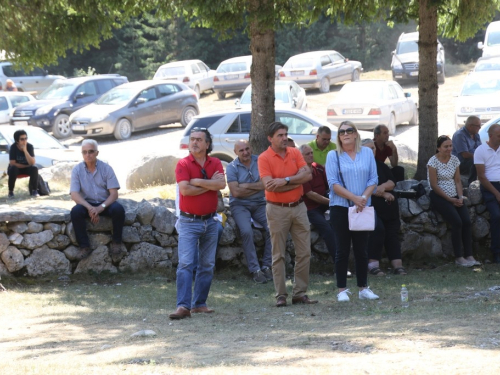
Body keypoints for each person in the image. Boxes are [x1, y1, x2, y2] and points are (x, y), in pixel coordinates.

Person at [258, 121, 317, 307]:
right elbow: (269, 185)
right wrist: (295, 181)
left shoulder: (295, 152)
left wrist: (285, 180)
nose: (284, 138)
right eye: (280, 136)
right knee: (278, 254)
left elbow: (308, 175)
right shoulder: (264, 158)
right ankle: (280, 295)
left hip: (299, 207)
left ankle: (299, 293)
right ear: (270, 138)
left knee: (304, 252)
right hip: (276, 209)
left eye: (285, 134)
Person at [169, 127, 226, 320]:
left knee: (207, 264)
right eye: (192, 139)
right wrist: (209, 183)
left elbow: (221, 185)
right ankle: (183, 306)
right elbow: (185, 190)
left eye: (199, 140)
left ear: (207, 144)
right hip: (188, 221)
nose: (194, 142)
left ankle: (199, 304)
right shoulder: (183, 164)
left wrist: (199, 181)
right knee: (185, 264)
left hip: (210, 221)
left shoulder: (216, 162)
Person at [326, 121, 379, 302]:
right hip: (340, 206)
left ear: (356, 134)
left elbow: (374, 179)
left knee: (361, 250)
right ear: (338, 136)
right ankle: (342, 290)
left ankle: (363, 288)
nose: (346, 134)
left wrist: (362, 198)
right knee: (342, 249)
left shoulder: (367, 153)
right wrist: (355, 198)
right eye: (342, 132)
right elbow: (333, 184)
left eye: (349, 131)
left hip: (362, 207)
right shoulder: (333, 156)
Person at [70, 139, 125, 260]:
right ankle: (84, 246)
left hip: (105, 203)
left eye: (90, 151)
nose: (87, 155)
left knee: (119, 210)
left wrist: (100, 208)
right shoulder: (77, 170)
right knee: (75, 212)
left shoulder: (106, 168)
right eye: (84, 152)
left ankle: (116, 242)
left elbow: (114, 194)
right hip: (87, 204)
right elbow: (74, 194)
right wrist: (90, 208)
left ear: (97, 153)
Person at [429, 135, 479, 267]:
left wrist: (460, 197)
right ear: (438, 148)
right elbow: (434, 185)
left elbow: (457, 180)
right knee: (457, 222)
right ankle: (458, 257)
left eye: (450, 146)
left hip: (455, 194)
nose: (449, 149)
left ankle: (469, 255)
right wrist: (450, 200)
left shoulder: (455, 160)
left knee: (467, 222)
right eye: (446, 146)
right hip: (440, 196)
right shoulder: (432, 162)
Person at [226, 139, 272, 284]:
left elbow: (267, 184)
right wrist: (258, 186)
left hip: (260, 203)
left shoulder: (260, 161)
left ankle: (267, 266)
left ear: (251, 148)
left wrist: (244, 185)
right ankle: (255, 270)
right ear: (235, 152)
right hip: (240, 205)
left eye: (247, 149)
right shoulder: (231, 167)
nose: (245, 152)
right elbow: (236, 192)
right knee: (246, 231)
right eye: (241, 150)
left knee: (274, 228)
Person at [362, 139, 407, 275]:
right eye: (368, 149)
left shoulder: (380, 165)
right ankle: (373, 264)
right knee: (378, 230)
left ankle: (397, 265)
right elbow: (362, 187)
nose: (372, 151)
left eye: (373, 148)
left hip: (389, 208)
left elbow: (392, 181)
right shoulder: (359, 167)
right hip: (372, 206)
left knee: (392, 233)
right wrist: (383, 194)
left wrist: (382, 188)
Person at [299, 144, 336, 265]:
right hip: (310, 208)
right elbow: (310, 195)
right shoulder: (300, 172)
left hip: (325, 202)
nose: (310, 155)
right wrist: (333, 203)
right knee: (327, 230)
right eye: (307, 154)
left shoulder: (318, 168)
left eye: (311, 153)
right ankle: (339, 264)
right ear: (300, 156)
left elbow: (330, 185)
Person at [475, 124, 500, 264]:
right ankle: (496, 252)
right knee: (496, 215)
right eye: (499, 135)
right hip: (490, 186)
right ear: (490, 136)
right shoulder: (480, 150)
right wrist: (497, 193)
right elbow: (482, 177)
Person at [8, 129, 39, 198]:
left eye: (26, 138)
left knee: (34, 168)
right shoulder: (13, 147)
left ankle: (34, 191)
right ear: (17, 140)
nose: (24, 141)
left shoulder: (30, 146)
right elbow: (12, 163)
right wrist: (26, 165)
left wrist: (25, 151)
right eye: (22, 139)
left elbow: (32, 162)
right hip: (17, 169)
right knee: (13, 168)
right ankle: (11, 192)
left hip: (26, 168)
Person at [452, 115, 482, 185]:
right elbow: (465, 154)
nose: (480, 128)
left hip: (472, 158)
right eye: (478, 126)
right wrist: (480, 157)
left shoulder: (476, 134)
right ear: (470, 126)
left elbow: (480, 149)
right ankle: (471, 184)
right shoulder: (460, 135)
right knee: (475, 161)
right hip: (461, 162)